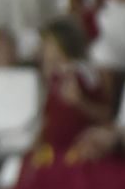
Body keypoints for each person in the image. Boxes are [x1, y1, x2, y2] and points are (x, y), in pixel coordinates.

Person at [33, 13, 118, 167]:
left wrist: (80, 102)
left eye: (49, 44)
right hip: (53, 154)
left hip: (79, 154)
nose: (44, 49)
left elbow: (106, 115)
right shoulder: (53, 78)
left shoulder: (85, 74)